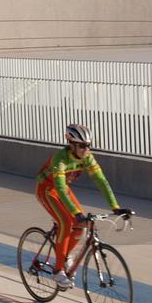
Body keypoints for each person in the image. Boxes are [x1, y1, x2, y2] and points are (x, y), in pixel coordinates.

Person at [36, 123, 130, 291]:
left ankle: (64, 257)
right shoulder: (61, 159)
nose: (86, 149)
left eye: (88, 145)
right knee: (66, 222)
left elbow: (101, 181)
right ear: (71, 144)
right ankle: (58, 271)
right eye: (82, 146)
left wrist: (115, 207)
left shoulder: (87, 157)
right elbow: (59, 187)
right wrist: (76, 212)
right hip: (47, 189)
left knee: (82, 226)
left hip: (63, 189)